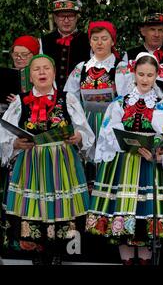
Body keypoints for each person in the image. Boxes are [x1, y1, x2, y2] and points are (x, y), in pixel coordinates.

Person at [86, 52, 163, 265]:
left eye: (150, 75)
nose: (145, 79)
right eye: (141, 74)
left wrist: (159, 154)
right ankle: (126, 261)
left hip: (149, 167)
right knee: (122, 213)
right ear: (134, 74)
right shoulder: (120, 103)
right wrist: (126, 143)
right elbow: (107, 132)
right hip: (123, 164)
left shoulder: (162, 105)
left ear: (157, 76)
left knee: (146, 216)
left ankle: (146, 261)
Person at [0, 54, 95, 265]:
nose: (42, 72)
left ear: (53, 73)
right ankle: (37, 254)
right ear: (30, 77)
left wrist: (77, 137)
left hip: (63, 163)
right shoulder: (19, 101)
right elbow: (3, 135)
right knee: (34, 210)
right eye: (36, 69)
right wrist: (15, 144)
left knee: (63, 210)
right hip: (30, 164)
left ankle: (58, 254)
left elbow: (84, 132)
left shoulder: (68, 99)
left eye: (46, 68)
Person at [40, 0, 91, 92]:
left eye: (70, 16)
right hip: (50, 96)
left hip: (79, 97)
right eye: (62, 16)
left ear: (77, 18)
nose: (66, 21)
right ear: (55, 18)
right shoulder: (44, 41)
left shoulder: (89, 40)